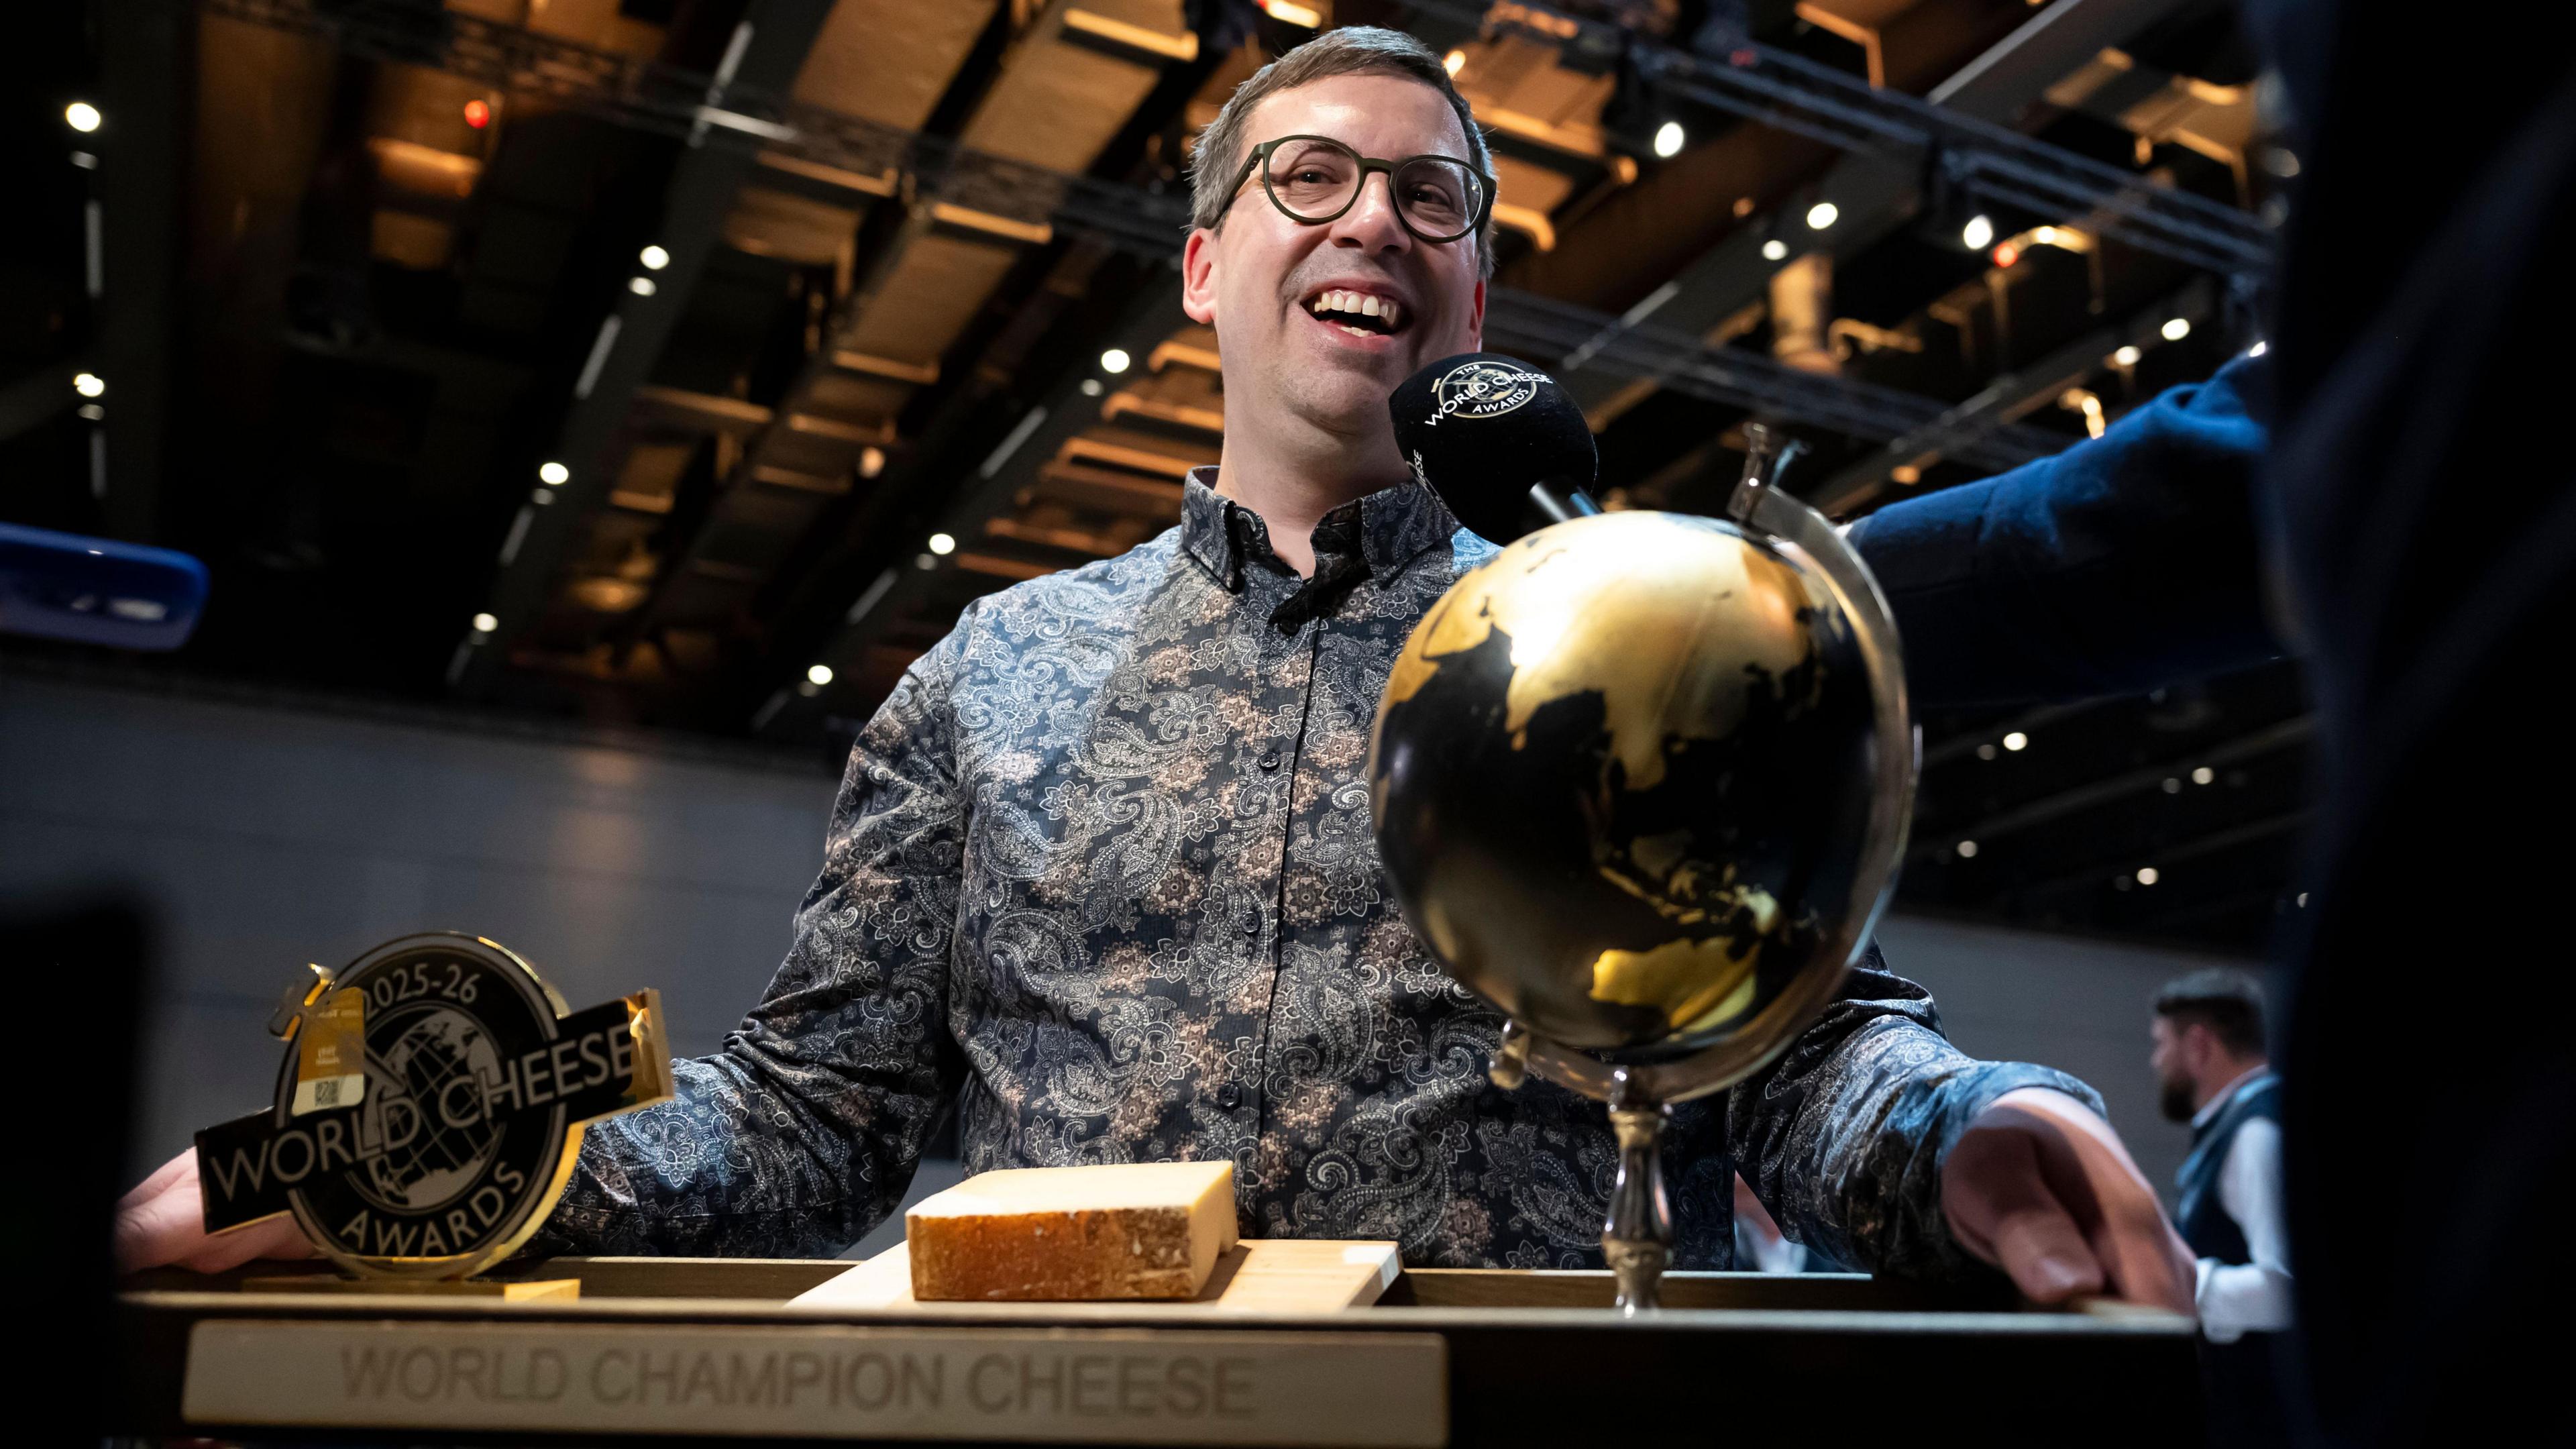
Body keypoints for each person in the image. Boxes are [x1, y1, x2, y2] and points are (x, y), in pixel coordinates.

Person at [115, 28, 2192, 1311]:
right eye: (1307, 175)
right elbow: (808, 1112)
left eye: (1432, 199)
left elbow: (1798, 1044)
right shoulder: (990, 672)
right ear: (1204, 266)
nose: (1370, 215)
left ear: (1474, 286)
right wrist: (435, 1161)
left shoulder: (1606, 643)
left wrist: (1962, 1128)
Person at [2153, 969, 2290, 1446]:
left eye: (2161, 1045)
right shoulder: (2235, 1125)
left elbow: (2289, 1287)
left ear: (2198, 1045)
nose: (2156, 1062)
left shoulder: (2258, 1134)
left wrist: (2180, 1282)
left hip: (2264, 1423)